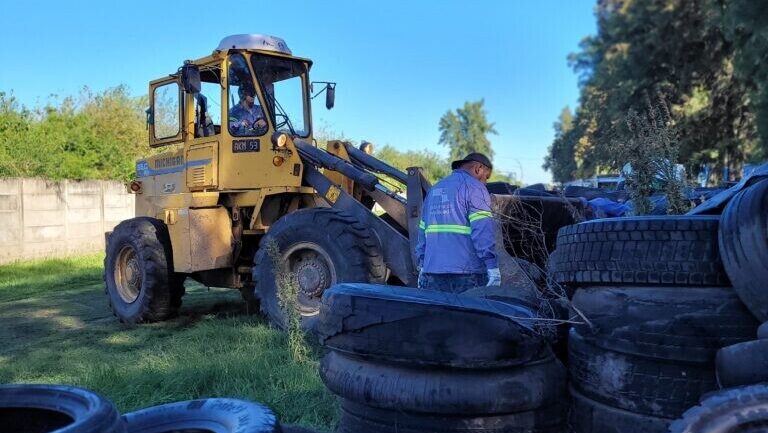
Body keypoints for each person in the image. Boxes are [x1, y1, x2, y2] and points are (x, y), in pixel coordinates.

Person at [415, 152, 501, 292]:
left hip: (432, 272)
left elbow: (422, 230)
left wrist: (423, 264)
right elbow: (482, 229)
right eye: (486, 177)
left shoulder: (434, 189)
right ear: (478, 169)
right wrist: (491, 265)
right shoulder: (475, 188)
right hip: (467, 272)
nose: (485, 182)